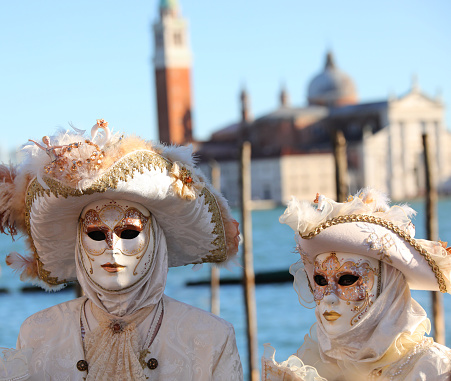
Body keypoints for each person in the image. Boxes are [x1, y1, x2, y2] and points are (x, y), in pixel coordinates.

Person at [0, 120, 243, 380]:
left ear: (156, 239)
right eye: (95, 234)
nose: (112, 247)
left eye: (129, 232)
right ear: (78, 244)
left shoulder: (211, 338)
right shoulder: (38, 333)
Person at [262, 188, 451, 380]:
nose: (329, 297)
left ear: (387, 285)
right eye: (320, 281)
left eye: (347, 280)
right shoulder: (308, 368)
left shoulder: (434, 368)